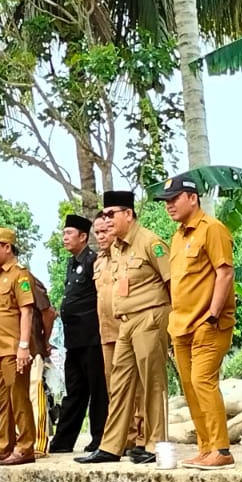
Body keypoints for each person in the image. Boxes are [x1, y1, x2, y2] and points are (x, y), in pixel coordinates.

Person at [78, 190, 170, 465]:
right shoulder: (116, 248)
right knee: (118, 384)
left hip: (149, 318)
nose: (106, 220)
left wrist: (174, 324)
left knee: (152, 383)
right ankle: (111, 445)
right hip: (125, 323)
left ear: (128, 215)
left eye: (111, 214)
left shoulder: (150, 242)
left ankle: (154, 444)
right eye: (104, 214)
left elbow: (172, 282)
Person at [160, 175, 236, 468]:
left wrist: (213, 315)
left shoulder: (212, 229)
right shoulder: (178, 236)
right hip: (180, 325)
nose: (169, 206)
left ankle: (222, 449)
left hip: (208, 323)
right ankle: (206, 448)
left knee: (202, 381)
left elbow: (225, 273)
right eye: (166, 201)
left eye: (174, 199)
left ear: (192, 198)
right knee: (190, 387)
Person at [47, 213, 107, 454]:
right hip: (73, 339)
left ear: (83, 237)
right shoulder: (72, 263)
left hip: (92, 337)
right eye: (63, 233)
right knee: (74, 389)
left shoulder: (94, 261)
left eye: (69, 233)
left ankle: (100, 438)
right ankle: (63, 441)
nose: (65, 238)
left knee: (97, 390)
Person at [0, 228, 38, 466]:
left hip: (14, 349)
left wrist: (23, 346)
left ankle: (25, 447)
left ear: (7, 247)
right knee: (3, 401)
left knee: (19, 399)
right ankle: (4, 445)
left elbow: (27, 311)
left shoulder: (19, 276)